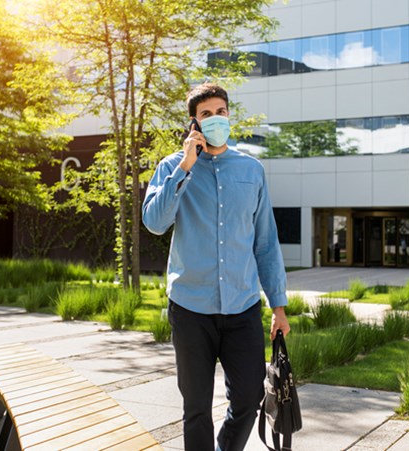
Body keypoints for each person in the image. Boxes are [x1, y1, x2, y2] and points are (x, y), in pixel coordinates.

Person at [142, 83, 290, 451]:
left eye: (220, 111)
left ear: (229, 115)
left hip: (242, 308)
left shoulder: (251, 170)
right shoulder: (170, 168)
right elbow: (155, 222)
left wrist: (279, 307)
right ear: (194, 122)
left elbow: (266, 243)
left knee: (247, 400)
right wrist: (185, 166)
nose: (215, 119)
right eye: (206, 114)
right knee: (195, 409)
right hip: (191, 308)